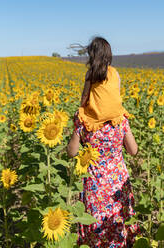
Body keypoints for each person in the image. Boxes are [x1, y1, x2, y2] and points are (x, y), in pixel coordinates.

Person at [67, 37, 140, 247]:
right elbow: (133, 150)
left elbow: (71, 153)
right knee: (118, 231)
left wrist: (80, 117)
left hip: (95, 190)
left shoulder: (85, 123)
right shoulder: (121, 121)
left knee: (96, 236)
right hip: (118, 186)